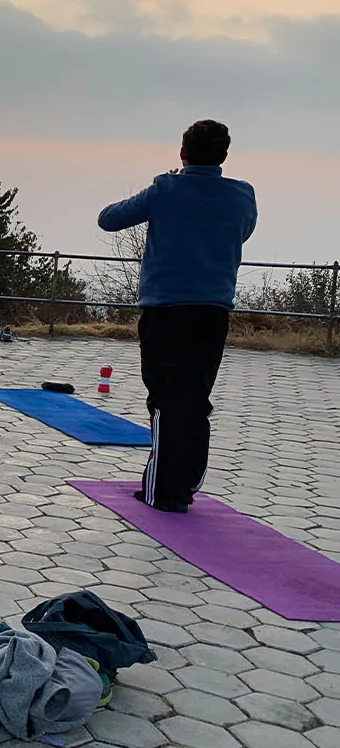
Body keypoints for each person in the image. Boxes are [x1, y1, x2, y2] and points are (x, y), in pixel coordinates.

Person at [99, 120, 257, 514]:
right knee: (195, 395)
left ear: (182, 151)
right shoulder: (242, 195)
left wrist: (163, 184)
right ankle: (188, 479)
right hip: (213, 310)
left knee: (165, 397)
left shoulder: (166, 189)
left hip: (165, 309)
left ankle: (163, 490)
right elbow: (244, 231)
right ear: (223, 155)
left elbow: (109, 218)